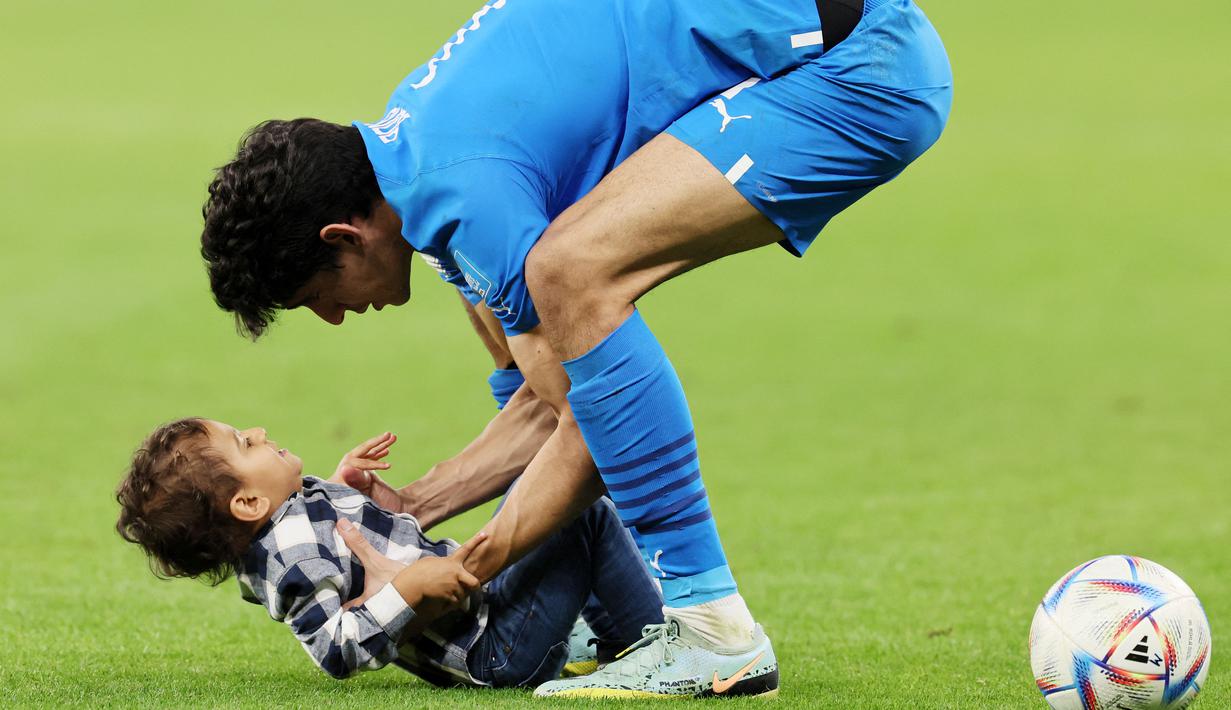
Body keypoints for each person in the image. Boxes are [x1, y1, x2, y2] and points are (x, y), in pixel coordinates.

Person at [198, 0, 952, 697]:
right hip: (834, 51)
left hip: (857, 68)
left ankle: (714, 632)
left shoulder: (464, 195)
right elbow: (552, 405)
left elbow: (586, 433)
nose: (334, 317)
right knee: (537, 299)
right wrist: (417, 505)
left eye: (315, 298)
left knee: (568, 269)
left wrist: (459, 570)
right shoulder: (419, 161)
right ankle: (612, 614)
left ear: (343, 236)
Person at [114, 418, 664, 688]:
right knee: (580, 513)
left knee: (544, 499)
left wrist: (341, 487)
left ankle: (612, 645)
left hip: (490, 620)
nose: (258, 430)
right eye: (245, 443)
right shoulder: (292, 557)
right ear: (248, 501)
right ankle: (648, 647)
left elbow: (338, 551)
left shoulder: (289, 517)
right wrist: (409, 589)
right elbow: (335, 649)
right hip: (496, 650)